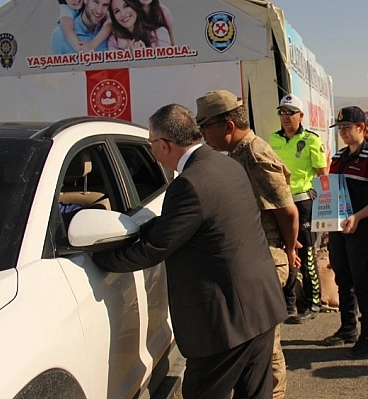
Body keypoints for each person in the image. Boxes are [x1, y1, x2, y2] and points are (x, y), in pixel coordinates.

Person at [92, 104, 287, 399]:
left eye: (151, 142)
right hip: (260, 307)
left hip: (225, 325)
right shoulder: (225, 164)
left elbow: (154, 249)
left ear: (165, 145)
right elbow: (198, 223)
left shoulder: (189, 183)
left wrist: (98, 259)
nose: (152, 149)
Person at [195, 89, 300, 399]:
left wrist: (290, 251)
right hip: (255, 257)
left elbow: (287, 211)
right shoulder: (238, 152)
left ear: (228, 126)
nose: (203, 135)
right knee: (260, 343)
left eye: (206, 127)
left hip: (267, 256)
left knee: (266, 345)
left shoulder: (253, 154)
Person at [320, 106, 368, 359]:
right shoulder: (339, 157)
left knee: (364, 283)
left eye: (347, 128)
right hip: (339, 232)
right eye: (340, 129)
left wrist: (358, 217)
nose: (343, 133)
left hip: (364, 230)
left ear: (362, 128)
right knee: (343, 280)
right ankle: (348, 328)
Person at [269, 93, 327, 324]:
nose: (285, 117)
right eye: (282, 112)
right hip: (279, 203)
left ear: (300, 116)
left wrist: (325, 210)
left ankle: (314, 302)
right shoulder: (273, 139)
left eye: (290, 113)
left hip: (303, 203)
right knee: (284, 253)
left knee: (306, 253)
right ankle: (289, 303)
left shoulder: (311, 140)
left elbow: (324, 176)